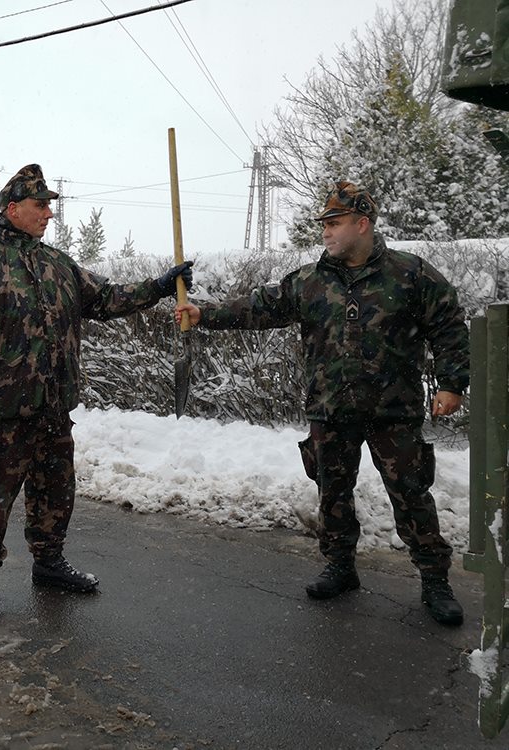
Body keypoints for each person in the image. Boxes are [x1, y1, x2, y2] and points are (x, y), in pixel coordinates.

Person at [175, 181, 470, 626]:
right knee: (332, 492)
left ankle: (434, 579)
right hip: (330, 410)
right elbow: (260, 307)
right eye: (324, 225)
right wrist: (204, 314)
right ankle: (339, 566)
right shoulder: (311, 281)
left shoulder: (410, 274)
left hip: (394, 411)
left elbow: (448, 325)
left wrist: (452, 384)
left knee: (411, 494)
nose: (326, 233)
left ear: (362, 224)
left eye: (334, 224)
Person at [0, 163, 194, 623]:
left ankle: (49, 563)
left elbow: (106, 299)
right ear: (12, 208)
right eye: (40, 205)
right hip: (4, 413)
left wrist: (159, 287)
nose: (48, 214)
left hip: (53, 409)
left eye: (49, 206)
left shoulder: (59, 266)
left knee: (56, 493)